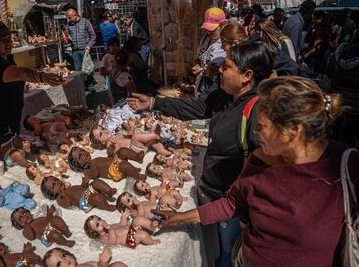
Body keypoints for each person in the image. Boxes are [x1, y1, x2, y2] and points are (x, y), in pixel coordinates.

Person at [153, 76, 359, 267]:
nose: (255, 132)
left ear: (293, 130)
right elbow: (233, 203)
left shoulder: (346, 166)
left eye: (261, 126)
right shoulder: (259, 160)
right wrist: (178, 217)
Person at [128, 41, 274, 267]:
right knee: (220, 250)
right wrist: (156, 103)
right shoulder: (227, 98)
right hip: (216, 201)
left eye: (226, 67)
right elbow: (197, 108)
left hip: (233, 209)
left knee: (229, 254)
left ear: (246, 75)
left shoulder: (255, 114)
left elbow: (260, 176)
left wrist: (245, 216)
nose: (219, 71)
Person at [0, 21, 66, 142]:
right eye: (1, 40)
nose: (8, 42)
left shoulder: (7, 57)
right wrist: (43, 77)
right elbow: (20, 73)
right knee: (9, 153)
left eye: (8, 38)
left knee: (15, 149)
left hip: (10, 117)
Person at [220, 22, 298, 76]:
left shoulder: (255, 51)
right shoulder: (246, 50)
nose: (221, 47)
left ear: (235, 43)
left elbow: (292, 69)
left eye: (224, 44)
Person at [193, 7, 227, 98]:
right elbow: (199, 57)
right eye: (207, 28)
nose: (209, 32)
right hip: (200, 88)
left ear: (222, 24)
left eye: (213, 29)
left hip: (214, 91)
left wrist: (212, 70)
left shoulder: (226, 43)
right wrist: (197, 65)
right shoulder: (205, 38)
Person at [65, 6, 96, 93]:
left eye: (70, 17)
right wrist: (68, 36)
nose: (69, 19)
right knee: (78, 70)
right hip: (75, 50)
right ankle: (81, 87)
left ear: (75, 15)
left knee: (88, 69)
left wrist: (89, 45)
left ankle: (91, 87)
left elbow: (93, 35)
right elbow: (67, 33)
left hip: (85, 50)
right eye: (68, 17)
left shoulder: (85, 22)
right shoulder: (68, 24)